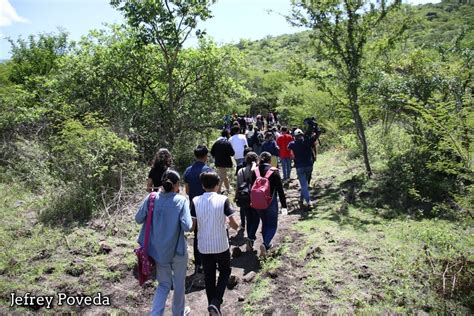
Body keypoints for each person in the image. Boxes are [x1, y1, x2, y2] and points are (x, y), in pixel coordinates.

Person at [135, 170, 193, 316]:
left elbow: (138, 218)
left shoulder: (152, 198)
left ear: (161, 183)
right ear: (177, 185)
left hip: (159, 252)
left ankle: (155, 314)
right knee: (179, 284)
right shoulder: (181, 200)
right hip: (177, 250)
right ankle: (178, 313)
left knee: (163, 284)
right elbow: (187, 226)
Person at [191, 171, 239, 316]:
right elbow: (233, 222)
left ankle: (213, 308)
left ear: (202, 185)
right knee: (225, 271)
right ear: (217, 185)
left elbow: (192, 226)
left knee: (209, 276)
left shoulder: (195, 201)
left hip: (204, 245)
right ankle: (216, 302)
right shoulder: (223, 200)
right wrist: (239, 228)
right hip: (221, 245)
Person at [251, 152, 287, 256]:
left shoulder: (255, 171)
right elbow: (280, 190)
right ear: (270, 160)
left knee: (265, 222)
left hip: (257, 202)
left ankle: (265, 244)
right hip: (271, 202)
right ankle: (265, 243)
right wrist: (284, 205)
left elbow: (251, 187)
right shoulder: (274, 171)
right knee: (272, 224)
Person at [184, 145, 213, 274]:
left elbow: (187, 190)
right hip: (208, 206)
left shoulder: (188, 171)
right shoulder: (208, 170)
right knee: (209, 233)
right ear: (206, 156)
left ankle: (198, 264)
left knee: (197, 235)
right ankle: (210, 262)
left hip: (194, 207)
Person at [288, 129, 318, 208]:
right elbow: (315, 137)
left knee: (304, 185)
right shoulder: (307, 141)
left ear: (294, 136)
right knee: (305, 184)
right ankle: (301, 199)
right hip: (309, 165)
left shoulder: (292, 144)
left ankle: (308, 202)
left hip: (299, 166)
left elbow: (290, 152)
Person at [236, 152, 259, 250]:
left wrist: (236, 196)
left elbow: (237, 186)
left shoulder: (240, 171)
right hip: (254, 197)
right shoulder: (256, 170)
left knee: (249, 218)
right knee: (256, 219)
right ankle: (250, 237)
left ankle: (250, 237)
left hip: (244, 198)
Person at [211, 129, 235, 194]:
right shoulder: (227, 142)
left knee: (224, 175)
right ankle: (218, 191)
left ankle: (228, 188)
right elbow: (232, 153)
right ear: (227, 135)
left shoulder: (216, 142)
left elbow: (212, 152)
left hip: (218, 162)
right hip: (225, 162)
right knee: (221, 177)